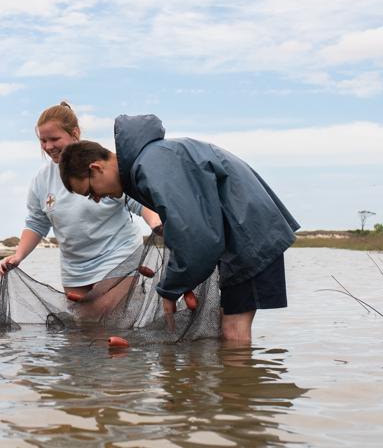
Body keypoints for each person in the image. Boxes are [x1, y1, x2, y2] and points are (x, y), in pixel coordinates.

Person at [58, 114, 298, 344]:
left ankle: (240, 382)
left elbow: (197, 237)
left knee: (234, 331)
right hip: (243, 231)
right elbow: (187, 229)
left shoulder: (150, 166)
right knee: (227, 327)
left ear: (97, 168)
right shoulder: (149, 161)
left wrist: (170, 290)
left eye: (90, 192)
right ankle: (235, 383)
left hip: (250, 234)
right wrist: (180, 281)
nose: (97, 199)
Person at [0, 101, 161, 301]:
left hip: (119, 257)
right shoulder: (41, 180)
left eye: (54, 138)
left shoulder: (100, 164)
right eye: (43, 141)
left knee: (110, 324)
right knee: (81, 329)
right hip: (75, 271)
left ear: (74, 133)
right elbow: (36, 222)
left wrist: (155, 222)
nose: (48, 146)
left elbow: (137, 200)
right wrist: (19, 255)